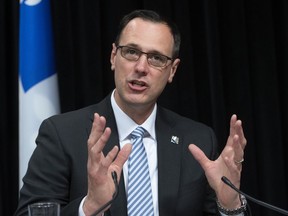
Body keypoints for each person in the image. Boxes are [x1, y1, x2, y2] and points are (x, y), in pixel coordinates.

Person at [15, 9, 248, 216]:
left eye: (156, 58)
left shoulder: (197, 140)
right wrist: (88, 208)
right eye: (131, 52)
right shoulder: (63, 133)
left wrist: (229, 206)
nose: (141, 67)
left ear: (172, 71)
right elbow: (31, 212)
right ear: (113, 56)